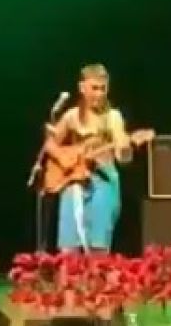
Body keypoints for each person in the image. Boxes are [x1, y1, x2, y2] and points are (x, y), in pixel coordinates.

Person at [44, 64, 136, 253]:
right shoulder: (71, 116)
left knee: (98, 247)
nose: (99, 94)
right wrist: (63, 157)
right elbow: (50, 144)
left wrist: (125, 147)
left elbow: (123, 157)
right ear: (82, 88)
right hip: (74, 182)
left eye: (103, 89)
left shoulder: (113, 117)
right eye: (94, 88)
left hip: (103, 182)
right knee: (68, 249)